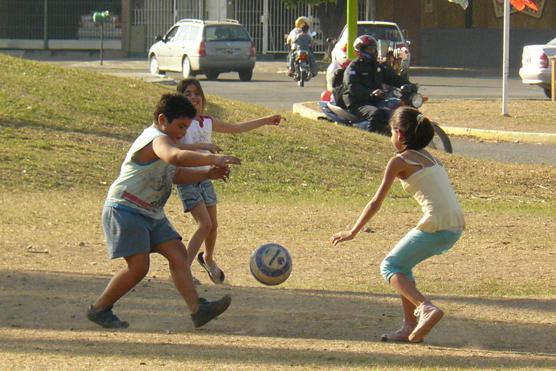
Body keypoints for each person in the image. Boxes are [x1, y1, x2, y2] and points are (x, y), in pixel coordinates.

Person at [87, 93, 241, 329]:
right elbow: (174, 157)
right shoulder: (156, 139)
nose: (182, 132)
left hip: (150, 212)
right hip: (126, 208)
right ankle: (100, 309)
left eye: (186, 127)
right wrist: (215, 159)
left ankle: (198, 310)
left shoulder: (168, 141)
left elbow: (174, 174)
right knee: (139, 268)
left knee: (179, 255)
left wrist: (207, 173)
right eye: (180, 126)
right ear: (162, 120)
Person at [331, 107, 465, 343]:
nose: (391, 137)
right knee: (404, 266)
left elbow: (375, 203)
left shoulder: (399, 161)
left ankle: (425, 308)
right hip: (454, 226)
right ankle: (409, 326)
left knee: (390, 266)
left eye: (391, 131)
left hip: (436, 224)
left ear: (400, 135)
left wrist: (352, 231)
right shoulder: (430, 157)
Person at [176, 78, 282, 284]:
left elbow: (236, 128)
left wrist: (265, 120)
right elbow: (176, 150)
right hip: (187, 178)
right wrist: (204, 146)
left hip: (206, 177)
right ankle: (183, 270)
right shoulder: (180, 123)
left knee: (213, 225)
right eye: (187, 94)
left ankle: (207, 258)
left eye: (196, 93)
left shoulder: (206, 121)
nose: (193, 97)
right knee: (204, 224)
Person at [340, 35, 411, 135]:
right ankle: (371, 140)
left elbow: (392, 78)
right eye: (370, 49)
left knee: (396, 108)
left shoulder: (377, 66)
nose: (373, 52)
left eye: (374, 49)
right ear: (360, 50)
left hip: (375, 100)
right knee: (376, 113)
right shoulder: (353, 68)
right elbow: (353, 87)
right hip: (357, 102)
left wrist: (409, 85)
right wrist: (371, 93)